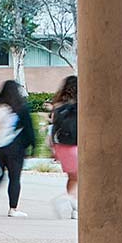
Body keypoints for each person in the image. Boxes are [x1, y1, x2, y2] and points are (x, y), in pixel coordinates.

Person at [0, 80, 36, 217]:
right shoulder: (20, 107)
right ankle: (13, 208)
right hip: (15, 147)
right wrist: (32, 146)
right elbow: (29, 129)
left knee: (1, 173)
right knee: (14, 178)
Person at [49, 75, 78, 217]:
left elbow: (54, 127)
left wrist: (53, 148)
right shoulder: (80, 106)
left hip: (61, 146)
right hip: (76, 145)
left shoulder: (58, 105)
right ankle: (67, 200)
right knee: (79, 178)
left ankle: (75, 209)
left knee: (72, 178)